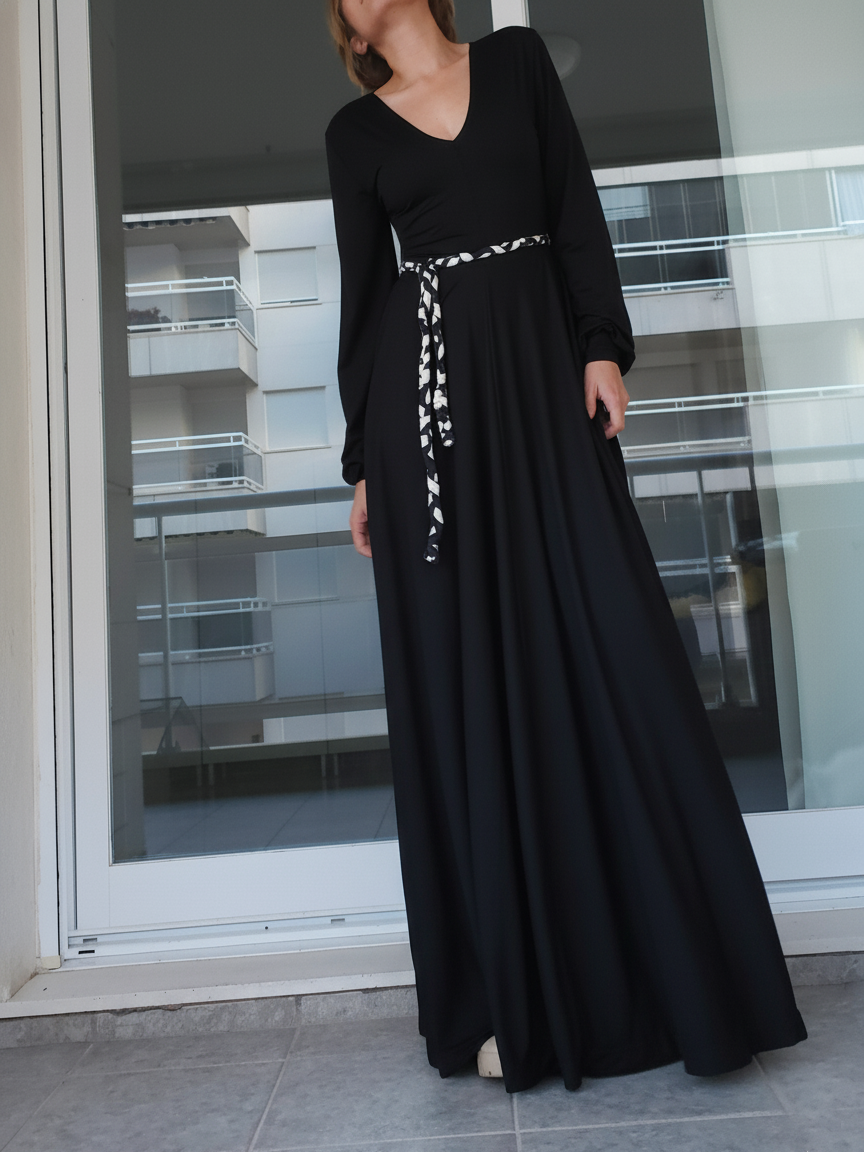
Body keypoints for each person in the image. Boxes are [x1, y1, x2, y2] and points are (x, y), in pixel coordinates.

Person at [324, 0, 807, 1093]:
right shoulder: (354, 136)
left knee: (616, 645)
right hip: (430, 424)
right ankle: (515, 996)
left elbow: (573, 204)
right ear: (349, 32)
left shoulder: (518, 63)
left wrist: (600, 345)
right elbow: (362, 303)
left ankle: (688, 981)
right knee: (473, 683)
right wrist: (364, 465)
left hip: (544, 379)